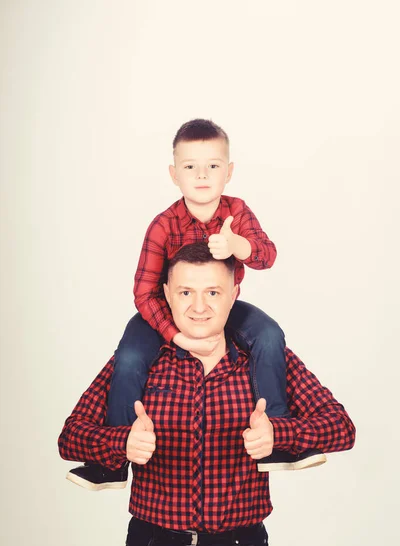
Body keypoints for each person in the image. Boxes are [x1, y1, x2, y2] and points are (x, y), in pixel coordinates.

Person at [58, 242, 356, 546]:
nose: (199, 307)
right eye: (186, 292)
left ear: (234, 294)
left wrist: (278, 434)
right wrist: (121, 442)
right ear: (166, 294)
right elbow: (70, 437)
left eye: (213, 292)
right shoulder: (137, 360)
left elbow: (341, 427)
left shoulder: (264, 358)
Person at [67, 119, 324, 491]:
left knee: (269, 334)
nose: (202, 175)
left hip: (223, 305)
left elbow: (267, 255)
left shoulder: (238, 211)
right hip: (163, 311)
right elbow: (143, 292)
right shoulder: (163, 225)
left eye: (213, 166)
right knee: (128, 356)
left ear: (229, 172)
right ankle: (112, 460)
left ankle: (277, 439)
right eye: (190, 167)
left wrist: (239, 247)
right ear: (174, 174)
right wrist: (175, 336)